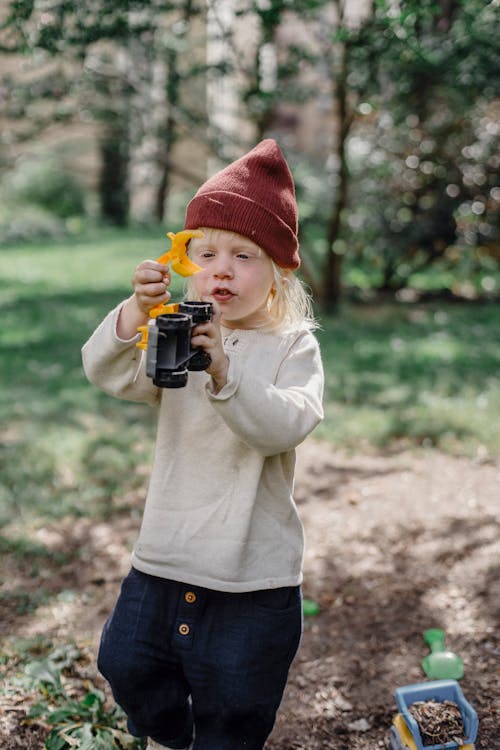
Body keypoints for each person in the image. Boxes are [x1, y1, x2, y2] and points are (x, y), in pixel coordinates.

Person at [82, 138, 324, 750]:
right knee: (128, 663)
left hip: (252, 571)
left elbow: (285, 424)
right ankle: (171, 738)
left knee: (238, 701)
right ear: (187, 260)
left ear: (278, 270)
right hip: (166, 552)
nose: (222, 267)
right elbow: (110, 375)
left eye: (244, 256)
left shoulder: (293, 346)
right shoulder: (179, 327)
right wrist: (136, 315)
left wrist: (224, 374)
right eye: (206, 251)